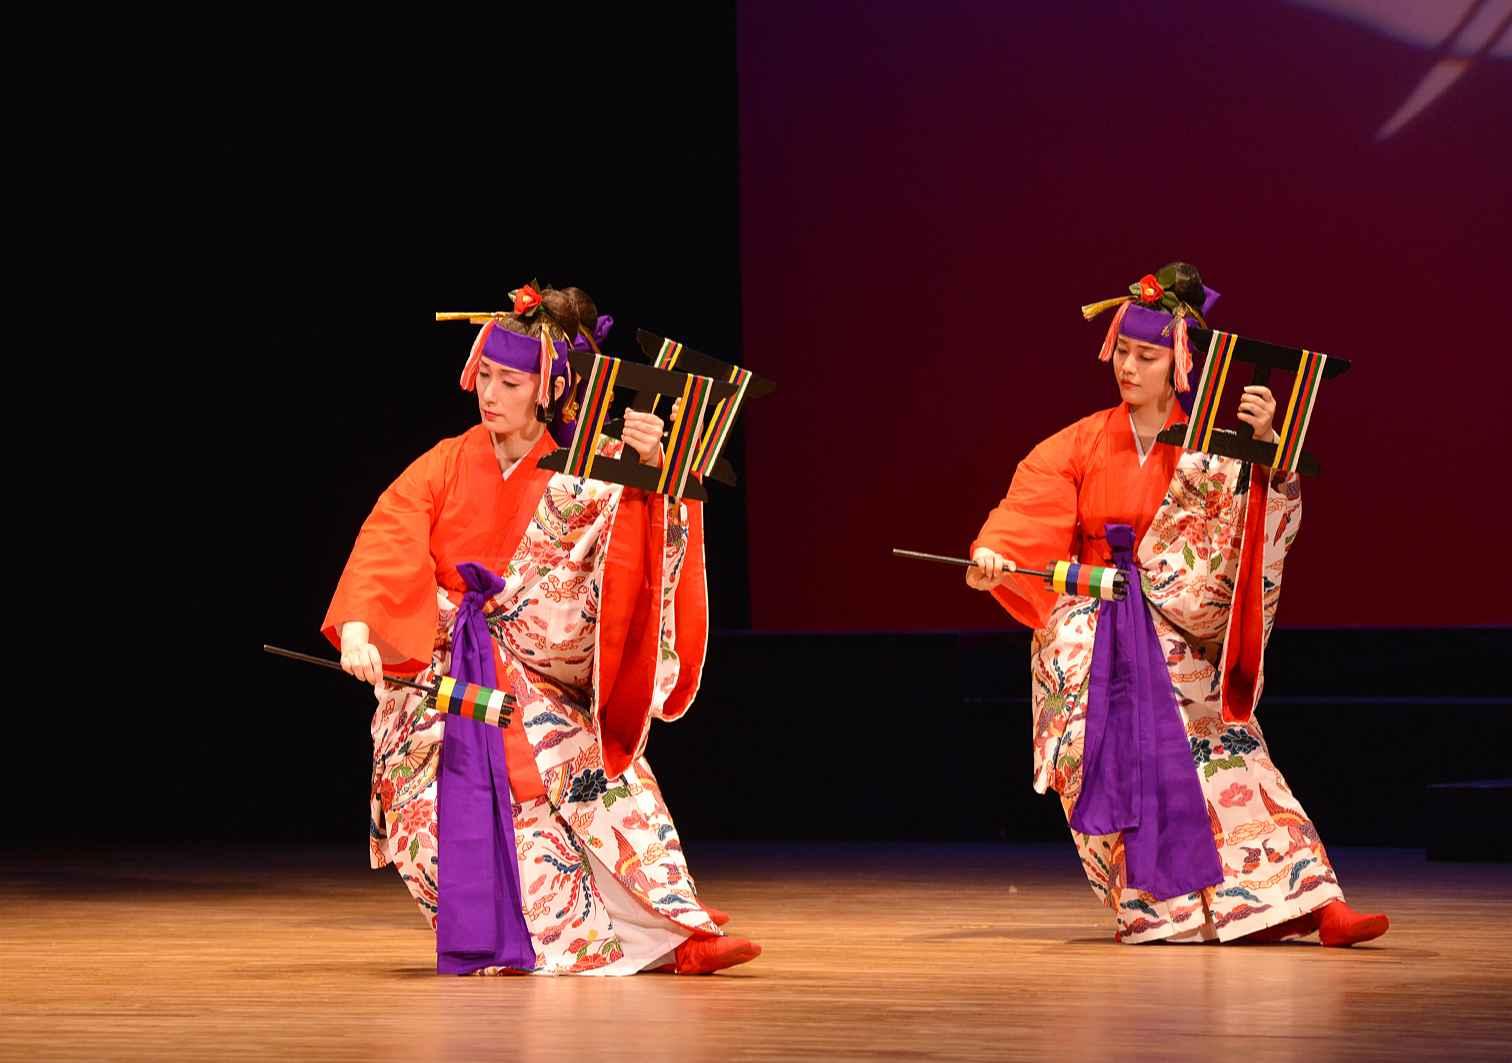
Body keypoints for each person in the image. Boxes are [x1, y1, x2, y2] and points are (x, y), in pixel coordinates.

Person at [322, 282, 761, 974]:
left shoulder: (577, 467)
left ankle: (676, 929)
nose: (490, 395)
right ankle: (570, 940)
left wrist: (646, 463)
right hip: (441, 682)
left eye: (510, 381)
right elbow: (389, 538)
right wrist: (358, 631)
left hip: (538, 675)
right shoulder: (444, 462)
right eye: (485, 377)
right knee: (443, 805)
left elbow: (623, 542)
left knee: (604, 775)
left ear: (548, 387)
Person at [969, 263, 1388, 946]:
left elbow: (1246, 527)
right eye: (1122, 353)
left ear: (1180, 361)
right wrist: (996, 557)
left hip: (1171, 623)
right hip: (1090, 623)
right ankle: (1172, 909)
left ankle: (1314, 898)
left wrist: (1266, 453)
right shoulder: (1078, 442)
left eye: (1147, 355)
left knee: (1224, 741)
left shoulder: (1204, 449)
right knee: (1101, 744)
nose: (1129, 368)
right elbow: (1026, 515)